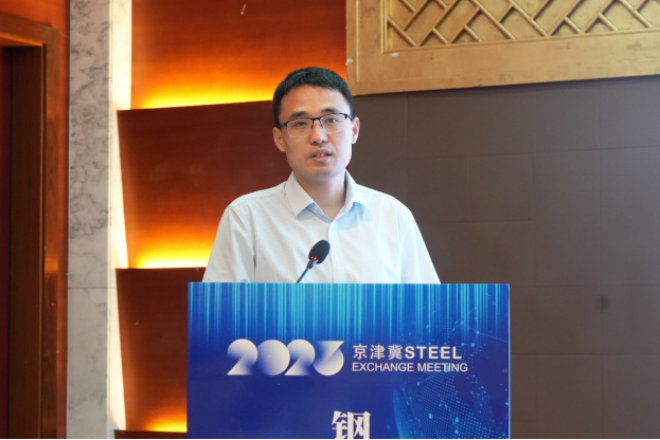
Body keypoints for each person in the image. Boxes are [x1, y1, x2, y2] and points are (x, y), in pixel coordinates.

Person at [203, 67, 439, 283]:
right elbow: (222, 314)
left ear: (354, 130)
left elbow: (427, 311)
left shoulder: (393, 216)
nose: (318, 136)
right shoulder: (246, 218)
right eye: (300, 123)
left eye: (332, 120)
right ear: (279, 139)